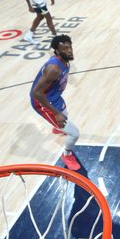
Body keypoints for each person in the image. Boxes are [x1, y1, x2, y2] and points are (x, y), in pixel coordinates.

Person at [30, 34, 80, 170]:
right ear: (57, 51)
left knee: (65, 114)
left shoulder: (66, 61)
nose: (69, 51)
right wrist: (55, 113)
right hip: (42, 102)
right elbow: (37, 93)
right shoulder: (54, 69)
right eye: (65, 49)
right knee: (75, 134)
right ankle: (67, 155)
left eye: (70, 47)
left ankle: (57, 127)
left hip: (53, 97)